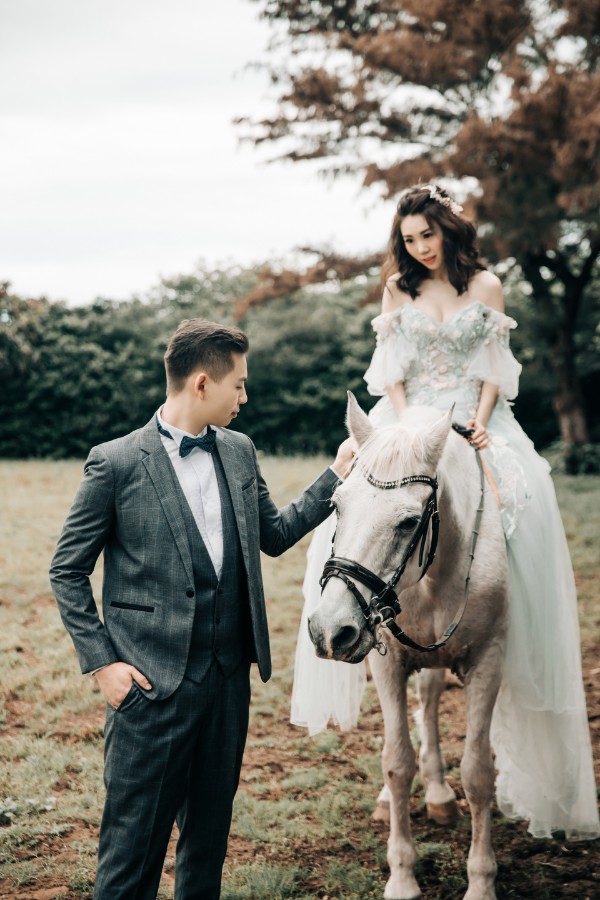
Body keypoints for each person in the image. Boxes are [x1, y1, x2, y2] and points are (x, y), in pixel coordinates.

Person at [291, 183, 600, 840]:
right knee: (357, 498)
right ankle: (353, 611)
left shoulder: (486, 285)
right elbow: (391, 373)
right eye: (408, 240)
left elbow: (492, 368)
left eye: (427, 236)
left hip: (474, 419)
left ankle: (513, 623)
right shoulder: (397, 290)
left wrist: (476, 427)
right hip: (409, 419)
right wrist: (409, 429)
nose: (419, 248)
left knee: (529, 492)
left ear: (449, 231)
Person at [50, 318, 354, 900]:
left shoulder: (239, 452)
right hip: (148, 688)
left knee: (207, 845)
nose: (245, 396)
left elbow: (274, 533)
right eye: (238, 384)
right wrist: (103, 663)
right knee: (131, 852)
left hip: (226, 683)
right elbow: (66, 569)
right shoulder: (114, 463)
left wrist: (336, 475)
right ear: (201, 383)